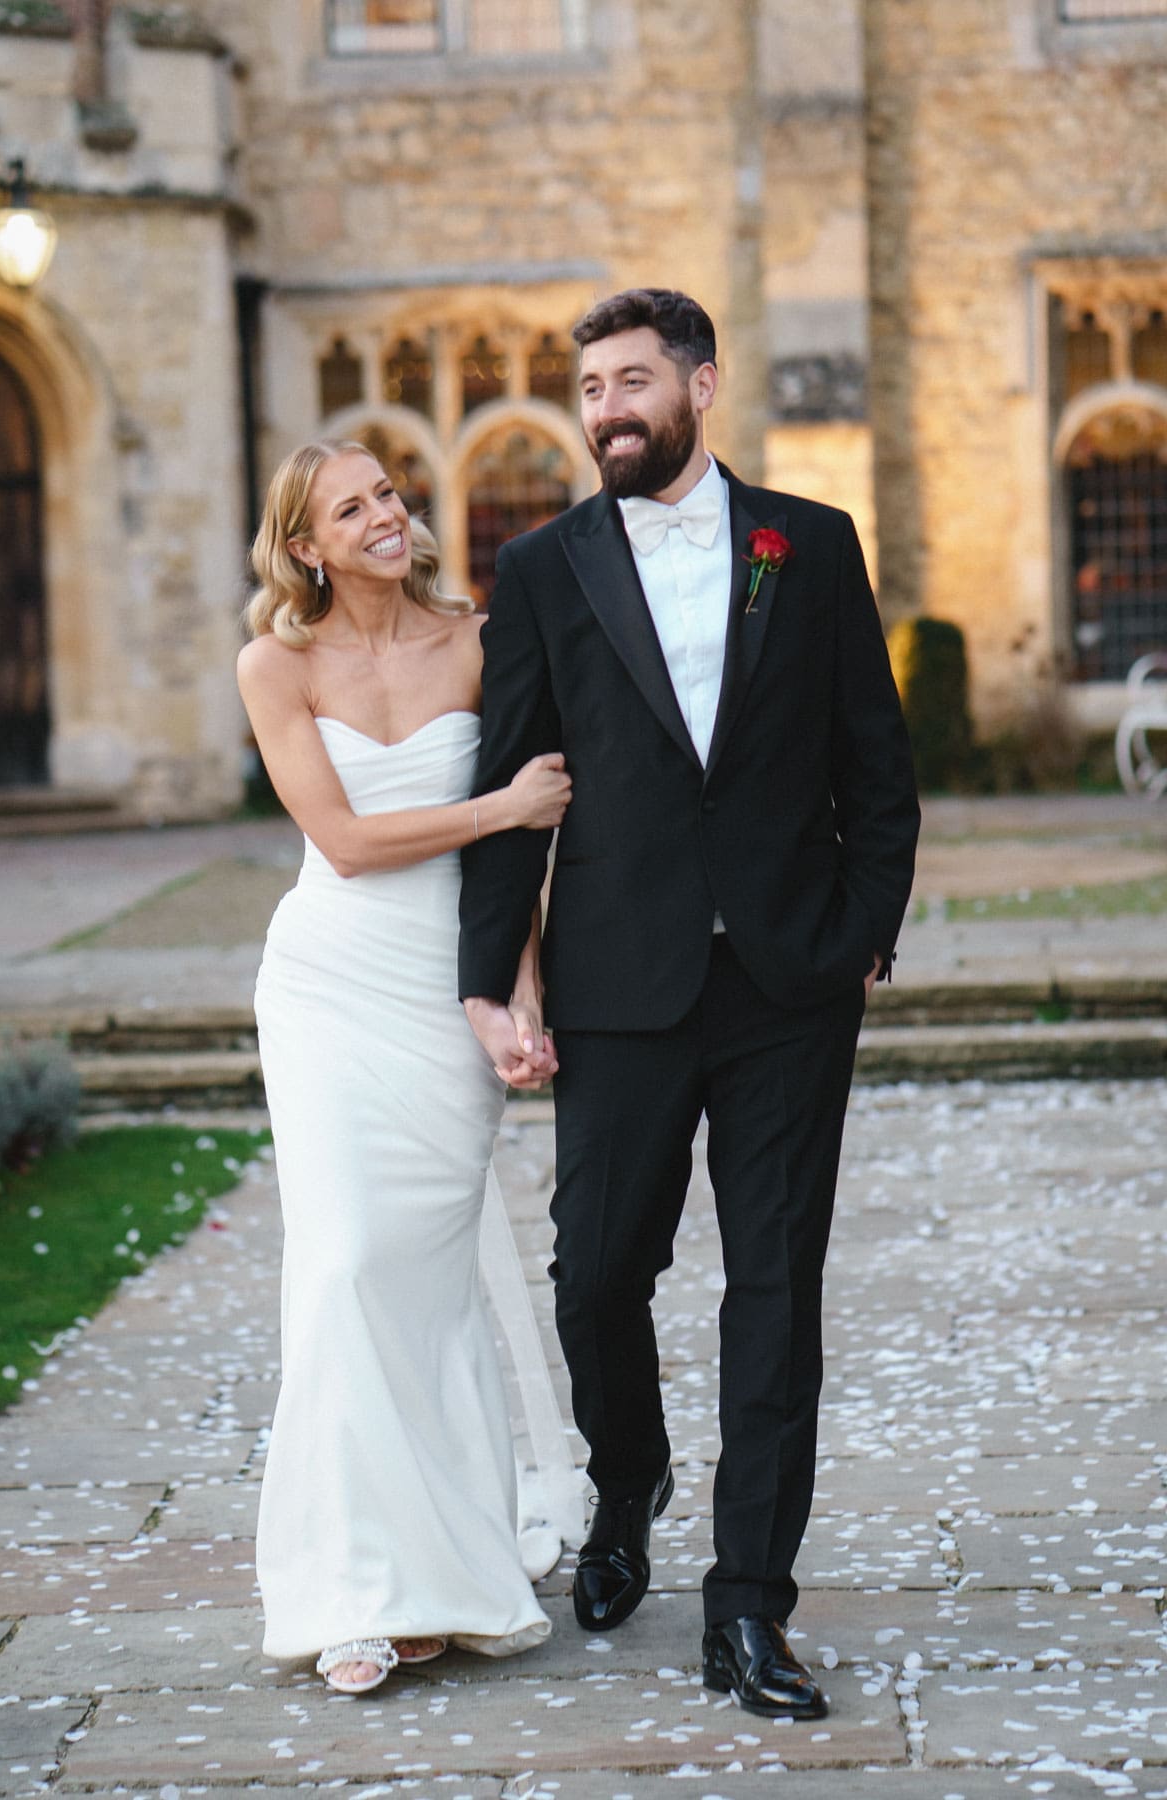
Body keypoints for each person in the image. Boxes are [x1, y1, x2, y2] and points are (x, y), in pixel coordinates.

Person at [458, 289, 921, 1721]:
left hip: (789, 983)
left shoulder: (812, 543)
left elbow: (878, 767)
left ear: (702, 387)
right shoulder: (539, 569)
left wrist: (856, 936)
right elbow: (511, 789)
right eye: (590, 387)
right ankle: (627, 1479)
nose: (606, 409)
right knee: (597, 1271)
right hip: (620, 986)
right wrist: (492, 981)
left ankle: (747, 1610)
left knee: (776, 1301)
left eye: (632, 381)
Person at [237, 439, 574, 1696]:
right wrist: (502, 806)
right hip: (327, 988)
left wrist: (516, 1000)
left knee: (425, 1288)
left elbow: (513, 878)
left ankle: (440, 1571)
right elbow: (344, 837)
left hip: (448, 999)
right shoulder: (273, 663)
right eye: (350, 507)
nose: (385, 514)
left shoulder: (481, 646)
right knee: (340, 1266)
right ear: (307, 546)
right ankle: (348, 1592)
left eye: (388, 493)